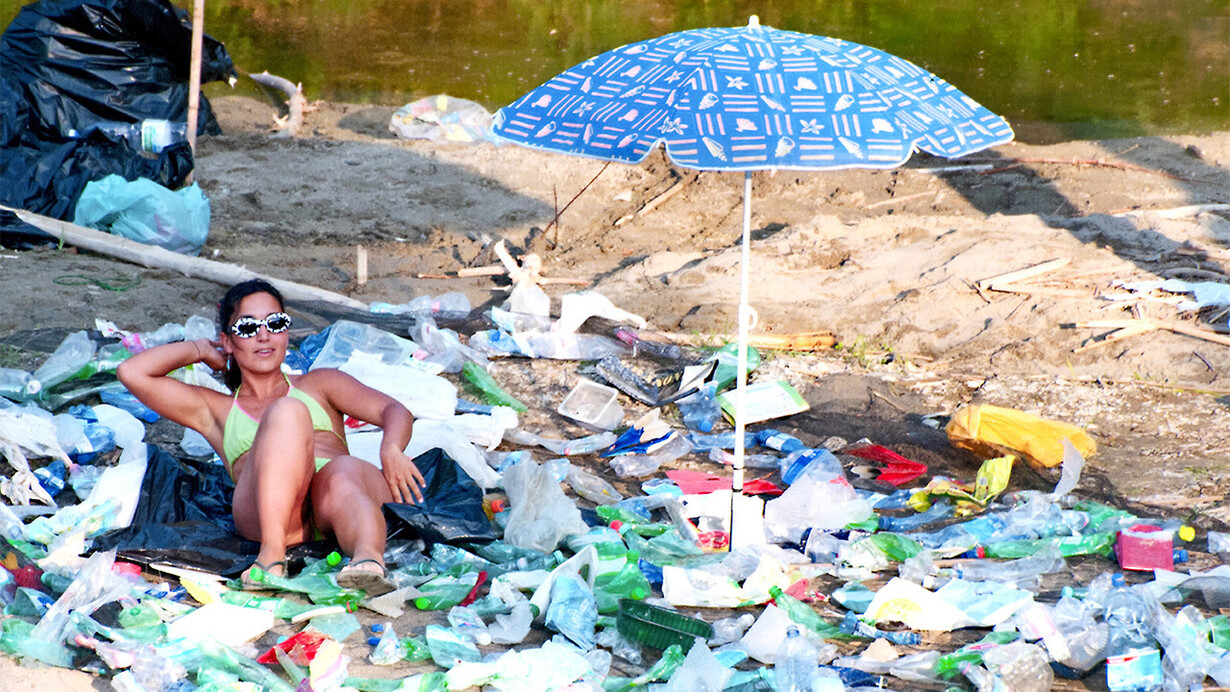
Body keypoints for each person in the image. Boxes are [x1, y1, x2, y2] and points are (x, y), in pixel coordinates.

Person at [117, 279, 424, 594]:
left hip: (337, 503)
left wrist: (391, 448)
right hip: (276, 521)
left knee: (341, 470)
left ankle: (368, 559)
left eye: (275, 323)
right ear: (229, 340)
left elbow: (393, 410)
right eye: (248, 328)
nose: (263, 335)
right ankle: (273, 555)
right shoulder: (216, 410)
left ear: (286, 333)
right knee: (286, 412)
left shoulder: (320, 384)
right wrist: (201, 349)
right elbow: (132, 372)